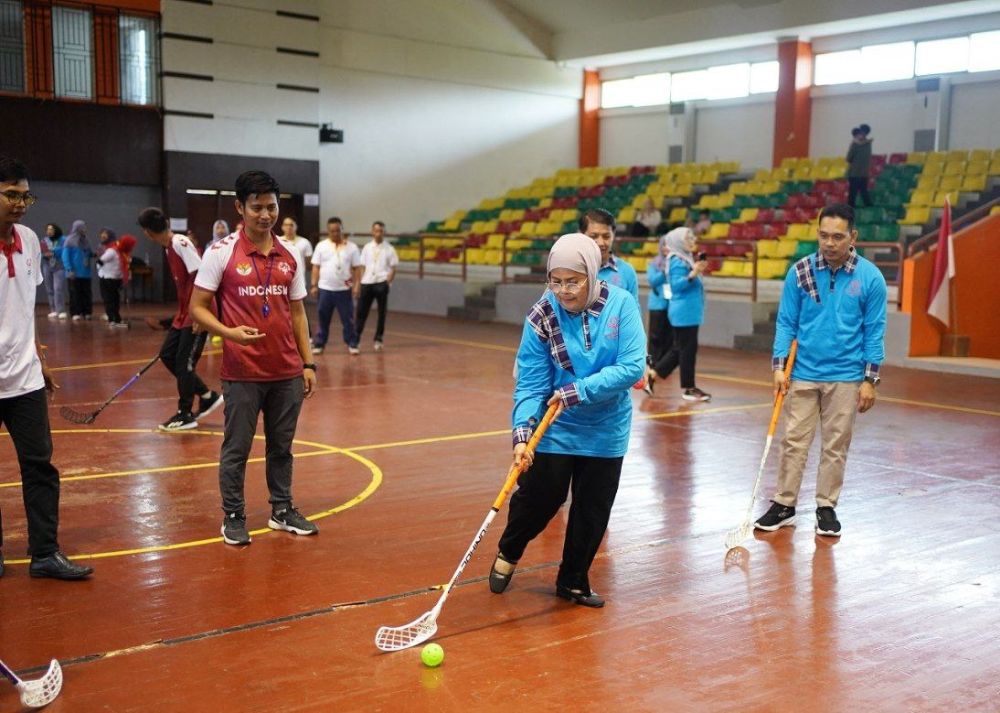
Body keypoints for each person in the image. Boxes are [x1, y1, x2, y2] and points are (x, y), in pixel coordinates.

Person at [488, 233, 646, 608]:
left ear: (592, 274)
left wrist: (577, 391)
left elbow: (632, 367)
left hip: (606, 428)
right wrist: (522, 435)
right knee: (539, 499)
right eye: (555, 281)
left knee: (593, 509)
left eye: (573, 281)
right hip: (556, 426)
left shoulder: (621, 305)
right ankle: (510, 549)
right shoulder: (542, 314)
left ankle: (573, 579)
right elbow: (530, 381)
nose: (563, 291)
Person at [190, 170, 318, 546]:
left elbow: (297, 313)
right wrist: (228, 333)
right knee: (237, 448)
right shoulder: (220, 252)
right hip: (242, 372)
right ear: (240, 208)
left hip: (287, 371)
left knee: (282, 447)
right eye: (257, 207)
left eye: (272, 207)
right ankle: (233, 515)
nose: (265, 215)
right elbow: (198, 307)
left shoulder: (291, 253)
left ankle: (282, 509)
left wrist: (308, 364)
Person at [754, 203, 886, 537]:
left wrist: (870, 380)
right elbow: (786, 322)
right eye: (824, 235)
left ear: (852, 236)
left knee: (835, 445)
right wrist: (778, 366)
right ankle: (784, 504)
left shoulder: (870, 278)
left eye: (838, 237)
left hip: (846, 376)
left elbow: (874, 330)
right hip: (803, 373)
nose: (829, 243)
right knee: (794, 442)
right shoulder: (800, 271)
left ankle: (826, 507)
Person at [0, 155, 93, 580]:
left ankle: (45, 553)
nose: (20, 204)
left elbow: (24, 310)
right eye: (11, 195)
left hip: (25, 380)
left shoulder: (30, 239)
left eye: (25, 196)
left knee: (40, 467)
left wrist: (39, 357)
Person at [137, 207, 223, 431]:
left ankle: (185, 414)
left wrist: (200, 312)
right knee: (168, 356)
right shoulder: (169, 248)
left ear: (147, 232)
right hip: (184, 313)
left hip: (197, 312)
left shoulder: (180, 243)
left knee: (184, 364)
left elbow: (201, 275)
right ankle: (206, 395)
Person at [645, 227, 711, 401]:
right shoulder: (675, 260)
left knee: (680, 349)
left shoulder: (684, 259)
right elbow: (676, 285)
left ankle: (654, 373)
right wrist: (693, 274)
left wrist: (696, 270)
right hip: (684, 312)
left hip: (688, 312)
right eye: (688, 238)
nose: (692, 240)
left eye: (692, 237)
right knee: (686, 351)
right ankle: (688, 388)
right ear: (678, 241)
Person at [309, 216, 361, 355]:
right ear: (328, 231)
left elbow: (357, 268)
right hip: (325, 289)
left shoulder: (352, 247)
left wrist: (356, 286)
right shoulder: (321, 246)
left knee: (348, 319)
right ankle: (319, 343)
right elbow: (315, 266)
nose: (335, 233)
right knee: (322, 318)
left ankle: (352, 343)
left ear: (342, 229)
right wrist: (314, 285)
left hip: (344, 290)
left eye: (338, 230)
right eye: (332, 231)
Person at [578, 208, 638, 302]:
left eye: (606, 236)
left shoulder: (627, 271)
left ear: (613, 235)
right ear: (581, 235)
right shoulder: (570, 270)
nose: (601, 243)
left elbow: (633, 311)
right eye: (594, 236)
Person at [355, 220, 398, 351]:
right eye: (376, 231)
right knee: (361, 312)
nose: (378, 233)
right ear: (372, 232)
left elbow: (393, 267)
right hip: (367, 282)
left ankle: (378, 339)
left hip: (381, 282)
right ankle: (356, 339)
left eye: (381, 231)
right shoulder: (367, 247)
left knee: (381, 313)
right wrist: (360, 281)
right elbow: (362, 265)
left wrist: (388, 283)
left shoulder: (389, 249)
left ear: (384, 232)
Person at [643, 233, 673, 396]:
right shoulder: (655, 264)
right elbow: (653, 281)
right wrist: (665, 272)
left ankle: (657, 372)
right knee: (655, 341)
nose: (666, 248)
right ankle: (650, 371)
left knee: (669, 341)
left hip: (672, 307)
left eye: (669, 245)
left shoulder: (677, 263)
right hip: (657, 307)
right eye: (664, 245)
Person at [63, 219, 93, 320]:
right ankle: (75, 312)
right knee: (75, 293)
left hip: (85, 272)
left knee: (86, 293)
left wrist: (94, 254)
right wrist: (69, 269)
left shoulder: (86, 240)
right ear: (77, 228)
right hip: (74, 273)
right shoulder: (69, 240)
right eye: (83, 227)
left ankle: (87, 312)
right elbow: (65, 257)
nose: (85, 229)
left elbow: (88, 253)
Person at [96, 228, 126, 327]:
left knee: (109, 299)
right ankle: (115, 317)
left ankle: (112, 319)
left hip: (108, 278)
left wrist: (99, 264)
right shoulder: (116, 249)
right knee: (114, 299)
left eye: (105, 236)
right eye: (101, 236)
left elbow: (101, 261)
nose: (102, 238)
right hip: (115, 277)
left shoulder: (111, 250)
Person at [41, 222, 67, 319]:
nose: (49, 231)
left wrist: (53, 252)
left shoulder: (63, 239)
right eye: (48, 229)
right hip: (47, 266)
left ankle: (61, 310)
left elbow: (64, 250)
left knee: (58, 288)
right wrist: (45, 254)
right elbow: (41, 252)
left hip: (59, 266)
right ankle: (53, 310)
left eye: (51, 229)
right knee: (49, 289)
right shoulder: (44, 240)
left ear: (56, 230)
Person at [282, 217, 313, 290]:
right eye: (286, 225)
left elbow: (309, 265)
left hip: (299, 282)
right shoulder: (277, 241)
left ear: (296, 226)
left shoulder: (305, 242)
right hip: (282, 282)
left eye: (291, 225)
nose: (289, 227)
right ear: (282, 227)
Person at [846, 124, 873, 208]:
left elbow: (848, 158)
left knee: (852, 194)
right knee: (864, 192)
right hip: (864, 173)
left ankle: (850, 212)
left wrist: (854, 144)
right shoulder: (868, 144)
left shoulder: (855, 144)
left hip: (855, 172)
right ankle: (870, 209)